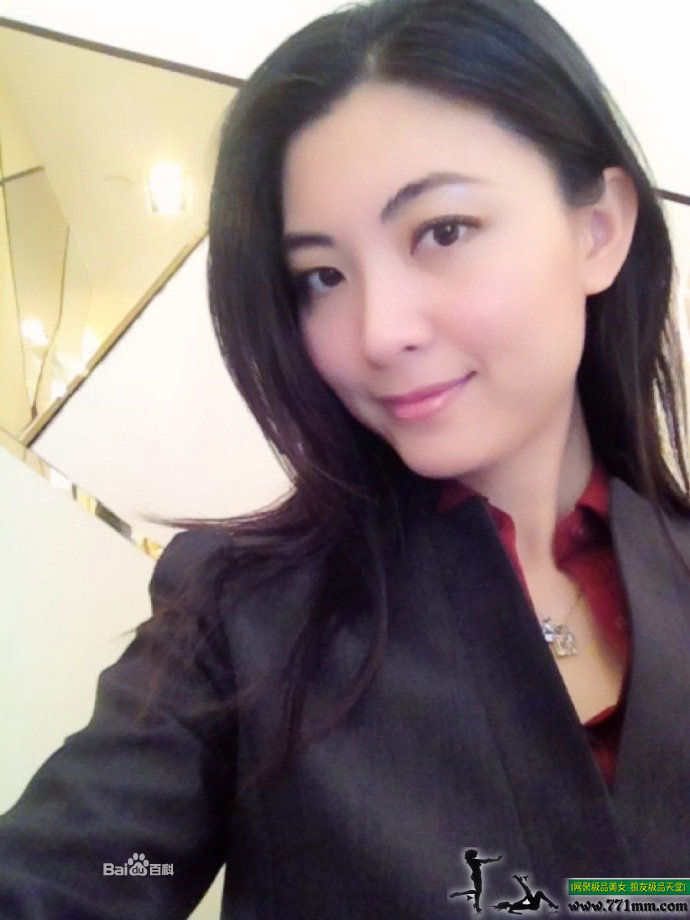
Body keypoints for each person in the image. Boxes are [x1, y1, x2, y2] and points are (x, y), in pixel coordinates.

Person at [1, 0, 689, 917]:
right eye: (321, 277)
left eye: (442, 231)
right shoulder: (245, 617)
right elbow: (82, 874)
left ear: (597, 230)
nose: (377, 331)